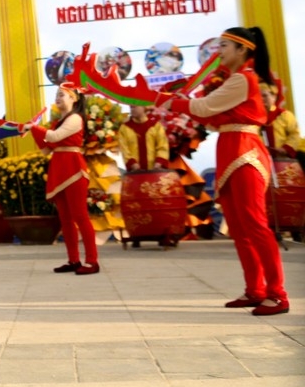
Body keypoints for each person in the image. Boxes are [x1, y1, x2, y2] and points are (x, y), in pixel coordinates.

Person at [157, 26, 289, 316]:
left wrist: (168, 102)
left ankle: (277, 294)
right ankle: (255, 290)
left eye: (224, 46)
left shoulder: (243, 78)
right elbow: (212, 117)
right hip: (231, 149)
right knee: (240, 227)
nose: (219, 52)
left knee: (254, 223)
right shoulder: (234, 81)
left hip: (245, 152)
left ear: (243, 50)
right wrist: (178, 101)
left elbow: (203, 107)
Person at [25, 82, 99, 275]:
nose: (57, 98)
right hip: (60, 167)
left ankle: (92, 261)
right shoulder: (61, 121)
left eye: (62, 95)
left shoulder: (75, 118)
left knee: (80, 216)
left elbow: (55, 137)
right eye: (56, 95)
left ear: (73, 98)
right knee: (65, 220)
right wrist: (33, 131)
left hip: (73, 168)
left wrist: (34, 128)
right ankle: (73, 260)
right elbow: (46, 149)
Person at [117, 105, 169, 171]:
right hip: (135, 173)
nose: (132, 109)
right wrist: (132, 163)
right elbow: (124, 149)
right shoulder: (124, 128)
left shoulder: (156, 126)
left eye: (134, 107)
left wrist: (159, 162)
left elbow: (163, 146)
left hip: (155, 170)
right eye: (131, 107)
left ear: (144, 107)